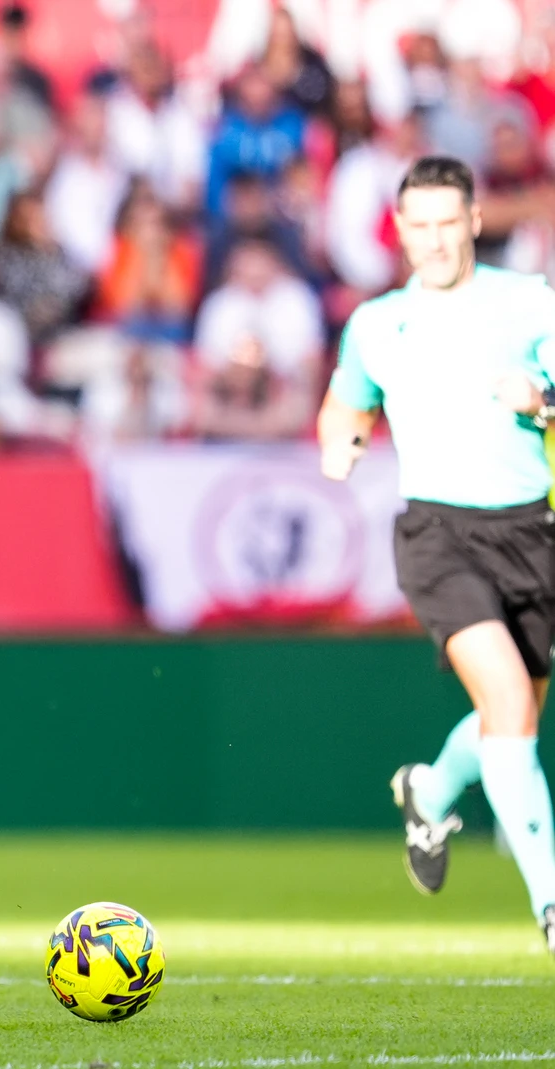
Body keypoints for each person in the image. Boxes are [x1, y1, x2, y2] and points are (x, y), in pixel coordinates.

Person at [319, 155, 555, 958]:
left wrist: (543, 398)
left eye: (447, 222)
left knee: (511, 713)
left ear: (476, 220)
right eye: (417, 225)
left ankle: (430, 787)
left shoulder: (529, 300)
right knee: (514, 710)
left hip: (533, 531)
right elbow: (346, 403)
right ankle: (553, 907)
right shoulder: (378, 322)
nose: (433, 239)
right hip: (438, 536)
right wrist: (339, 447)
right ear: (400, 230)